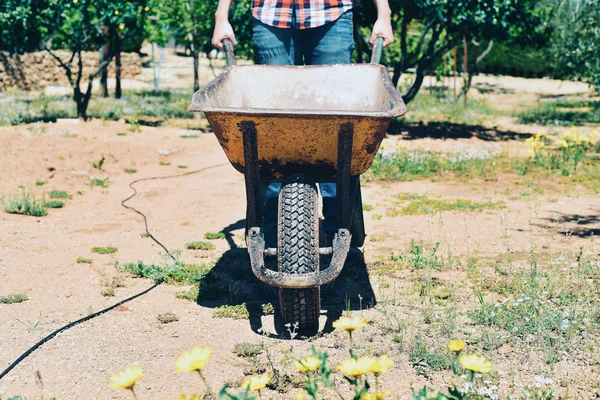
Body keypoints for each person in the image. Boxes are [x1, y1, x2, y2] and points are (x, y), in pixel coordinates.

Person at [211, 0, 394, 247]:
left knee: (338, 121)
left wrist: (384, 13)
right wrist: (221, 16)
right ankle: (274, 231)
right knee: (271, 124)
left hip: (332, 12)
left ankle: (339, 228)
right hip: (271, 15)